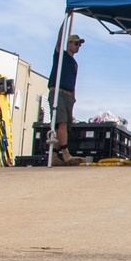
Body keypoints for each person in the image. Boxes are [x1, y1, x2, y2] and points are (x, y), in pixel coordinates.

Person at [47, 31, 85, 165]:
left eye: (79, 45)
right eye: (75, 44)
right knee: (61, 122)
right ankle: (65, 152)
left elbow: (73, 82)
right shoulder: (60, 56)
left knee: (63, 126)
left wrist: (73, 99)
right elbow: (59, 41)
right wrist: (65, 22)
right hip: (58, 92)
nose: (77, 47)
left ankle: (54, 155)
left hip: (69, 95)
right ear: (69, 43)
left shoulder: (74, 64)